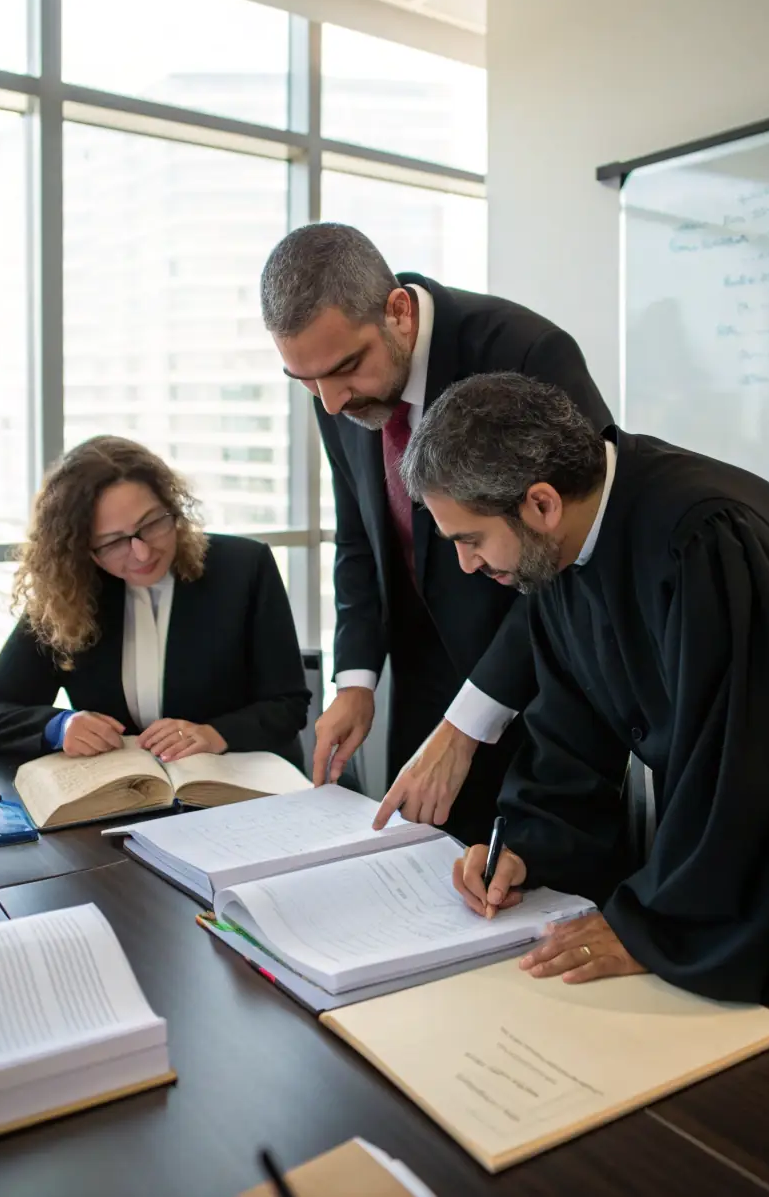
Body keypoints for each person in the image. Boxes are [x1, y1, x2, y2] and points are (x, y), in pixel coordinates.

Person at [400, 372, 769, 1046]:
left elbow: (746, 767)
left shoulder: (707, 538)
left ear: (541, 502)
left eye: (469, 539)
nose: (466, 563)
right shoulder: (554, 551)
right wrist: (525, 847)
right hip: (718, 820)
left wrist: (649, 927)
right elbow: (568, 728)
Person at [260, 223, 611, 844]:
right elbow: (359, 538)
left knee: (534, 882)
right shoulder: (332, 383)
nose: (331, 403)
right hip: (422, 689)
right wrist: (356, 682)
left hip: (540, 692)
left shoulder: (528, 353)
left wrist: (470, 721)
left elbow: (575, 553)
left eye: (345, 369)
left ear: (398, 311)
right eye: (306, 382)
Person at [0, 436, 309, 764]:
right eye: (113, 542)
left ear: (173, 507)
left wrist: (214, 734)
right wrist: (60, 726)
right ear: (82, 548)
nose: (142, 552)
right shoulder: (69, 593)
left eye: (152, 523)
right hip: (130, 791)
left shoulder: (244, 567)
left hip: (243, 783)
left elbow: (288, 704)